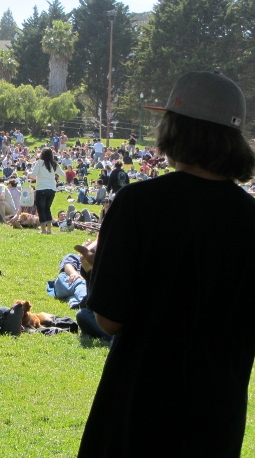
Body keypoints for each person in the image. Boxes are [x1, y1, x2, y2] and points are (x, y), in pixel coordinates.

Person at [77, 72, 255, 458]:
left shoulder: (138, 203)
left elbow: (108, 320)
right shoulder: (251, 217)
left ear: (176, 129)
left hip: (138, 404)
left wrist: (94, 269)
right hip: (217, 414)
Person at [27, 147, 57, 235]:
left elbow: (33, 174)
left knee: (41, 209)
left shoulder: (39, 163)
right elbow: (62, 174)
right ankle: (49, 229)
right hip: (52, 189)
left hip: (41, 188)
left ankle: (43, 230)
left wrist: (27, 174)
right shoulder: (54, 164)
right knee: (47, 209)